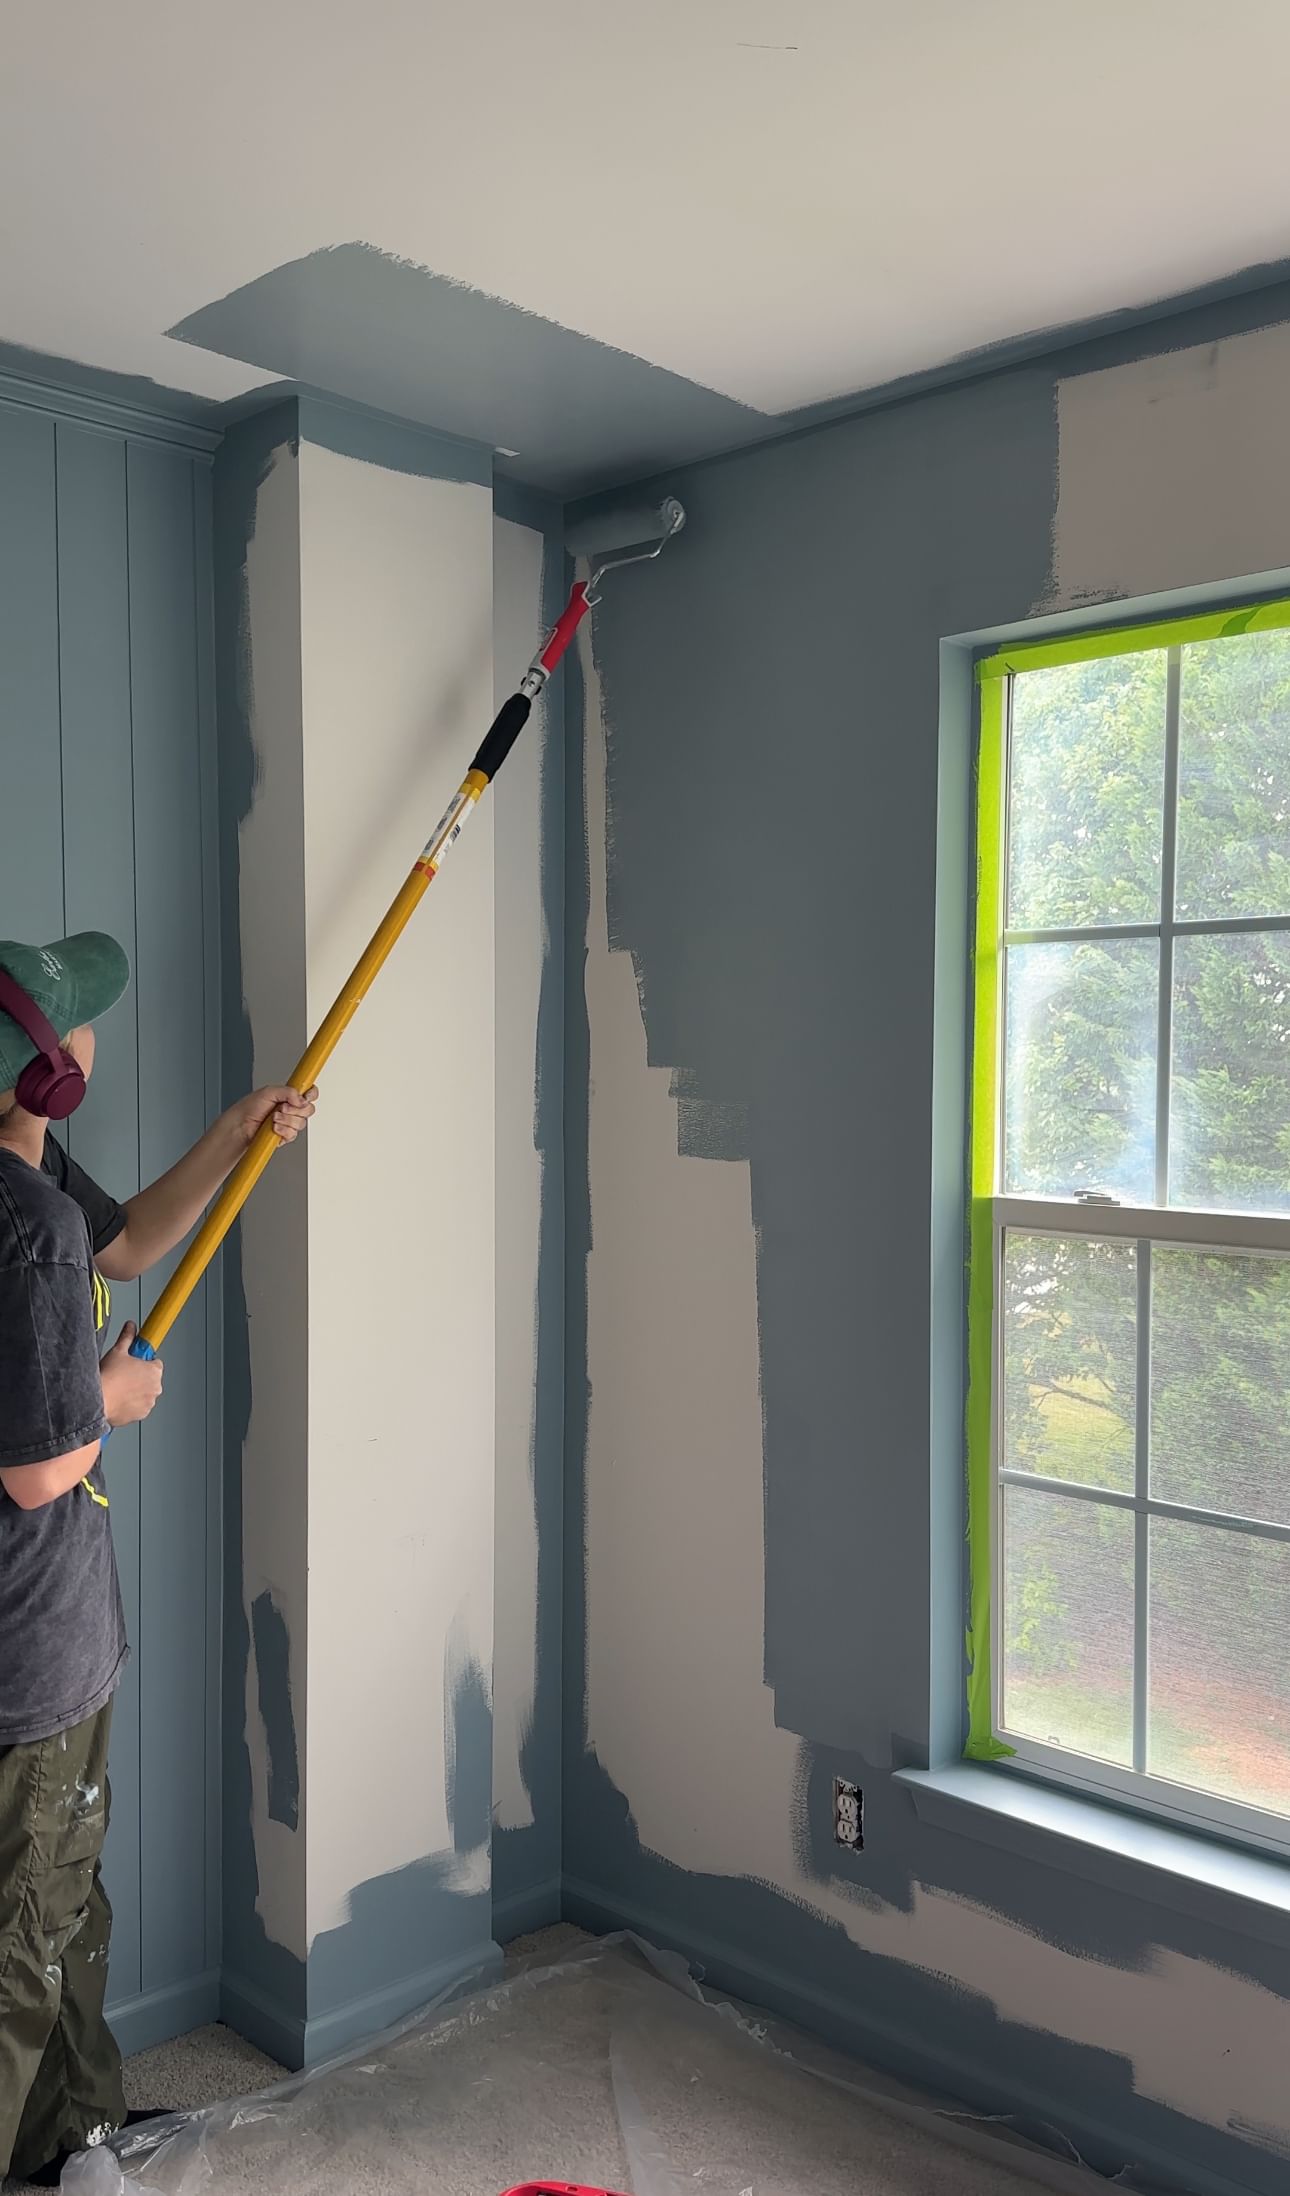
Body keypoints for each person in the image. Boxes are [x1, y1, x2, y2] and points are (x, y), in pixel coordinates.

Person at [0, 932, 317, 2186]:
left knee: (63, 1905)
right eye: (77, 1022)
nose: (92, 1036)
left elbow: (127, 1240)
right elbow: (34, 1467)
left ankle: (73, 2133)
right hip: (33, 1644)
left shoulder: (27, 1178)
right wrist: (114, 1402)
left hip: (53, 1639)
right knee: (27, 1933)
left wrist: (239, 1135)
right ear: (51, 1072)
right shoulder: (21, 1225)